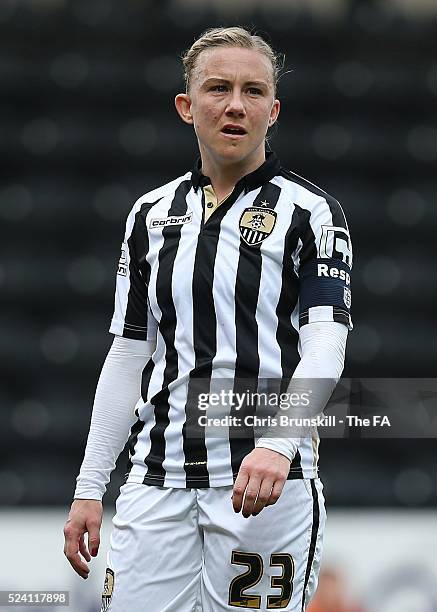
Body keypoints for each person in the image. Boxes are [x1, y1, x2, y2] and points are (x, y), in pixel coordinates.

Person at [63, 26, 353, 612]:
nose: (235, 105)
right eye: (218, 88)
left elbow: (326, 345)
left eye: (253, 91)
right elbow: (127, 354)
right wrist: (90, 485)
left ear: (273, 111)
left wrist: (277, 444)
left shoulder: (311, 212)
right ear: (186, 106)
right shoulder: (150, 214)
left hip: (265, 483)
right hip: (156, 476)